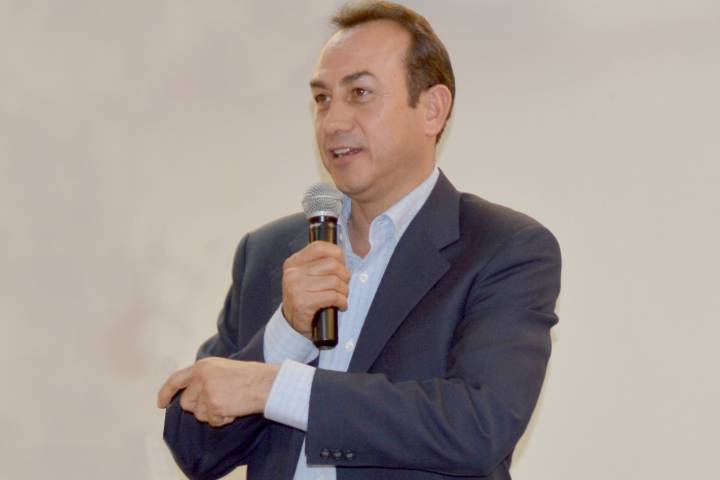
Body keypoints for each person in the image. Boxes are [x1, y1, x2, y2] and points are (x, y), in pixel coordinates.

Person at [157, 1, 562, 479]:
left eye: (360, 93)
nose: (333, 122)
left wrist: (276, 388)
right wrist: (287, 333)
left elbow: (477, 426)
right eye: (322, 99)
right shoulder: (266, 253)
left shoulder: (504, 248)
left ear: (432, 109)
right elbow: (195, 451)